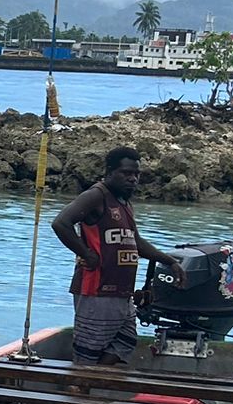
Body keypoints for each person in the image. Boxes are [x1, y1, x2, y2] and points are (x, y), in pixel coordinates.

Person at [51, 146, 182, 366]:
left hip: (122, 291)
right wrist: (87, 254)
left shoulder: (124, 203)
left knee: (125, 342)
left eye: (136, 174)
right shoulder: (96, 196)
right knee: (88, 353)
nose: (133, 179)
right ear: (110, 172)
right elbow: (61, 223)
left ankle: (94, 379)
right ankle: (82, 383)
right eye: (126, 173)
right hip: (97, 289)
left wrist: (169, 261)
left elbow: (135, 242)